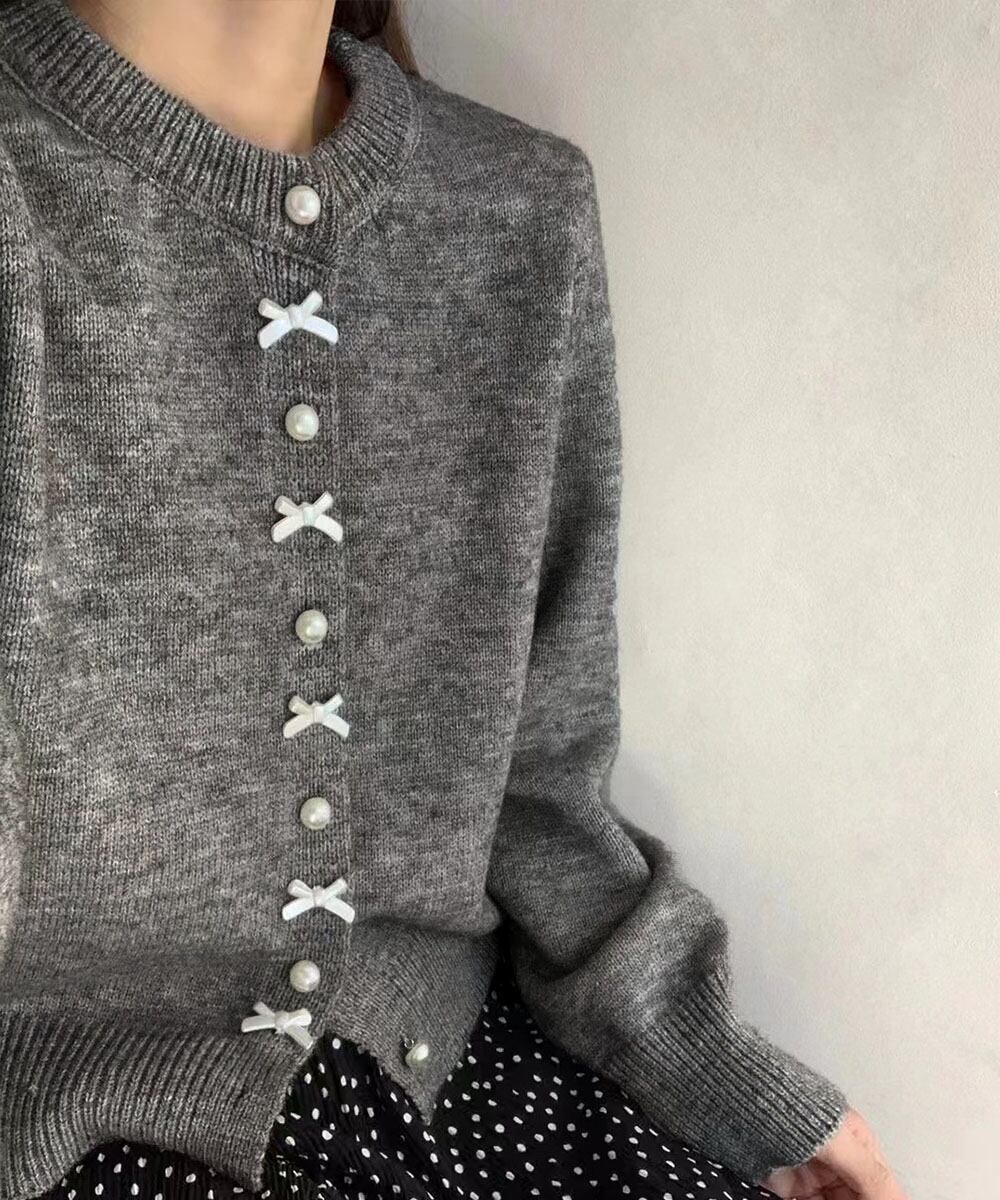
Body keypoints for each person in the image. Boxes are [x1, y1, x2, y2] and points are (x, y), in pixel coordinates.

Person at [0, 2, 909, 1199]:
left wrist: (706, 1063)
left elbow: (538, 774)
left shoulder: (519, 206)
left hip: (452, 1073)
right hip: (73, 1113)